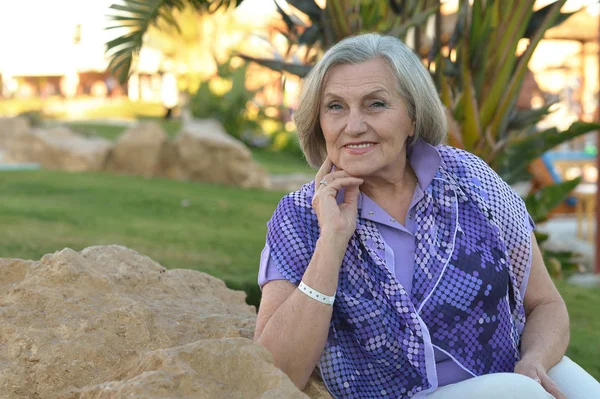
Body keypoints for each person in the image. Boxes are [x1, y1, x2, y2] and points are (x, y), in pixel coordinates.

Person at [254, 33, 600, 399]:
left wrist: (534, 360)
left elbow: (545, 303)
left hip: (510, 373)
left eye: (375, 104)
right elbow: (277, 369)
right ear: (318, 122)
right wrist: (332, 242)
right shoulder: (300, 217)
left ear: (413, 118)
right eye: (336, 107)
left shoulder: (470, 178)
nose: (353, 126)